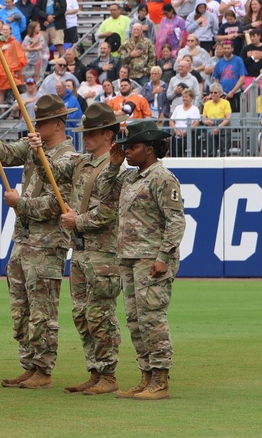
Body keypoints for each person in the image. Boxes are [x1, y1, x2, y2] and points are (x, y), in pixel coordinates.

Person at [0, 96, 77, 390]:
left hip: (48, 242)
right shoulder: (35, 149)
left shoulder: (69, 158)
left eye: (41, 122)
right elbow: (2, 153)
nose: (36, 126)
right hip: (24, 239)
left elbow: (57, 203)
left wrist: (21, 204)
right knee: (22, 308)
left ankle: (43, 369)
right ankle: (29, 363)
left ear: (57, 125)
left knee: (43, 310)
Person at [35, 102, 127, 395]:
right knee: (81, 314)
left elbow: (110, 212)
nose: (87, 137)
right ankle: (95, 370)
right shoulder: (79, 161)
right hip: (82, 251)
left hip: (104, 251)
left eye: (94, 132)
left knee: (100, 315)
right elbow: (49, 170)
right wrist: (39, 150)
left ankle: (108, 374)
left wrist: (79, 220)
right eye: (86, 131)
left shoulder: (117, 169)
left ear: (108, 135)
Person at [106, 120, 185, 400]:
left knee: (152, 318)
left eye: (134, 146)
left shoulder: (162, 178)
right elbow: (105, 191)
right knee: (135, 319)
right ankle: (146, 375)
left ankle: (160, 380)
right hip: (128, 257)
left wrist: (164, 256)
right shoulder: (129, 177)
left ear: (149, 149)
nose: (127, 151)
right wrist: (114, 164)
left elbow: (176, 221)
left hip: (150, 258)